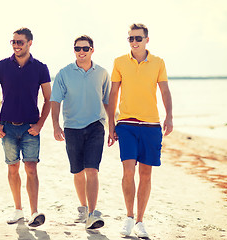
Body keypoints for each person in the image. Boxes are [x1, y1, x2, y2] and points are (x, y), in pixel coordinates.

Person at [107, 23, 173, 238]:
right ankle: (128, 217)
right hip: (126, 124)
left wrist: (169, 117)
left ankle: (140, 221)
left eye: (138, 38)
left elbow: (164, 90)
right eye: (131, 38)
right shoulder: (119, 62)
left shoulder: (158, 62)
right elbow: (113, 95)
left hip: (151, 126)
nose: (134, 42)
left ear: (146, 39)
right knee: (127, 171)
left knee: (146, 174)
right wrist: (111, 124)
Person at [0, 27, 51, 227]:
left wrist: (40, 124)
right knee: (13, 167)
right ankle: (18, 210)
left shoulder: (40, 68)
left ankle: (34, 212)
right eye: (13, 42)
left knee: (31, 167)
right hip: (7, 127)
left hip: (30, 127)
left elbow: (48, 99)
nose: (16, 45)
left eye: (20, 42)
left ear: (30, 43)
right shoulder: (2, 66)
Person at [50, 35, 111, 230]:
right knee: (77, 171)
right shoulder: (64, 73)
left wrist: (112, 126)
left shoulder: (102, 73)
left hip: (96, 126)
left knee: (92, 170)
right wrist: (55, 126)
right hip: (72, 127)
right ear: (74, 50)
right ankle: (83, 209)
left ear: (92, 49)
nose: (81, 52)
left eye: (85, 48)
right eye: (77, 49)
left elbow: (108, 101)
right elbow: (55, 101)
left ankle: (92, 214)